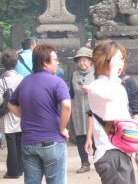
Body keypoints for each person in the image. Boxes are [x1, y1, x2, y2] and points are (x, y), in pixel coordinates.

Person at [8, 43, 71, 184]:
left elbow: (11, 104)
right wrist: (62, 129)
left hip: (29, 143)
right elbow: (66, 105)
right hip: (52, 142)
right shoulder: (57, 82)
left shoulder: (25, 82)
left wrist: (25, 115)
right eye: (55, 60)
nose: (57, 63)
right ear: (45, 62)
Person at [86, 39, 138, 183]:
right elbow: (109, 95)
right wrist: (113, 71)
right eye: (116, 59)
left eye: (122, 59)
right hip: (110, 152)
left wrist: (136, 152)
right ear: (104, 61)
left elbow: (126, 122)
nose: (120, 64)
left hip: (121, 152)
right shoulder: (95, 86)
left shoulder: (118, 87)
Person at [70, 47, 94, 174]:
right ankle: (85, 163)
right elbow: (71, 94)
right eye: (79, 61)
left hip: (93, 110)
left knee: (96, 137)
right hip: (78, 110)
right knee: (80, 138)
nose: (82, 63)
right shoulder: (74, 75)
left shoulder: (97, 74)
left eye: (84, 60)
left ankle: (100, 160)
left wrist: (91, 90)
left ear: (90, 61)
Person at [0, 50, 24, 179]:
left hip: (8, 116)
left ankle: (13, 171)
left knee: (11, 144)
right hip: (20, 114)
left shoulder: (2, 81)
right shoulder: (21, 79)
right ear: (16, 63)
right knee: (20, 143)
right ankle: (20, 169)